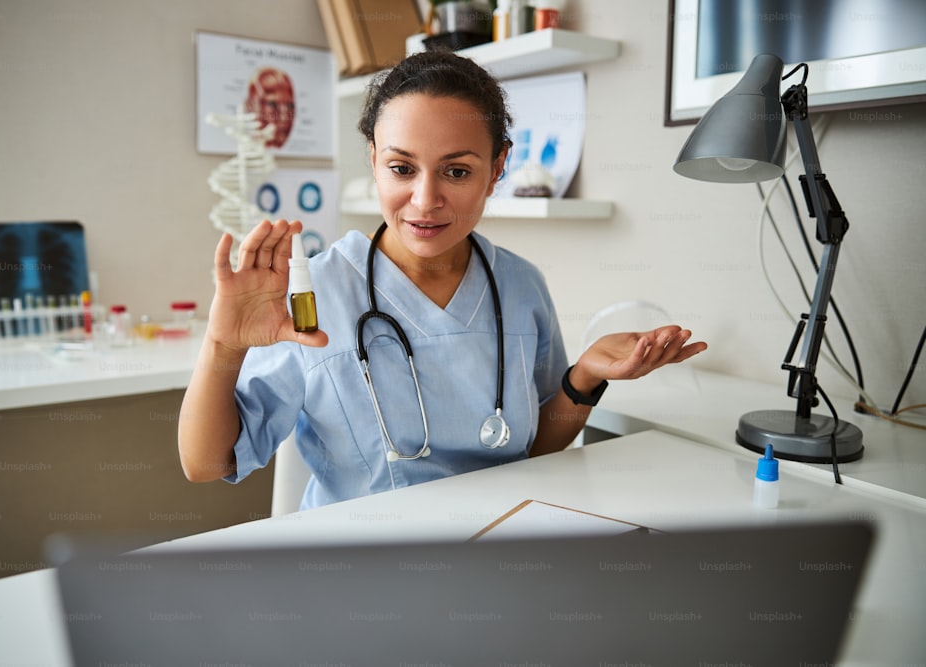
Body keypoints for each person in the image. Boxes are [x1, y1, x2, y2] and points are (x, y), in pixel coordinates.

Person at [178, 50, 707, 509]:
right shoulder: (312, 292)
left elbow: (533, 452)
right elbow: (205, 463)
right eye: (401, 168)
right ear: (374, 160)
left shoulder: (521, 286)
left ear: (498, 168)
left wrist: (586, 375)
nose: (425, 200)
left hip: (496, 554)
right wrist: (223, 342)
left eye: (456, 171)